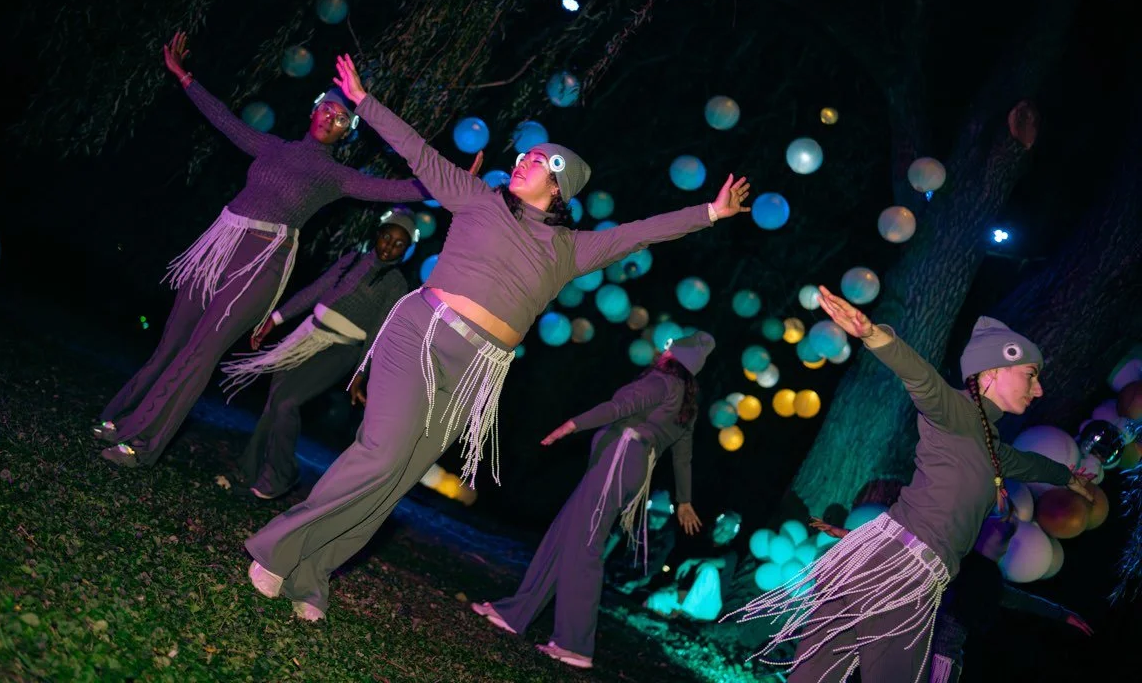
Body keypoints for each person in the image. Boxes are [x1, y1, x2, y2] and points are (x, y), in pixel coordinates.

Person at [242, 53, 751, 624]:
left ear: (558, 187)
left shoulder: (572, 249)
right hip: (423, 335)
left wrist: (710, 211)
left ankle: (315, 570)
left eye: (535, 160)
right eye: (522, 156)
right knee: (381, 453)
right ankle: (278, 548)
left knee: (400, 476)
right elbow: (419, 152)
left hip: (477, 371)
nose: (521, 162)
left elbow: (640, 234)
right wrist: (365, 102)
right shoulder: (477, 198)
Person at [95, 33, 436, 468]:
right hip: (219, 246)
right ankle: (118, 416)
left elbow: (398, 187)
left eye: (341, 117)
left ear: (347, 133)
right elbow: (223, 119)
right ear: (314, 110)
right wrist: (185, 77)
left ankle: (142, 443)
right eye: (327, 107)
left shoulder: (336, 176)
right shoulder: (272, 146)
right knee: (172, 342)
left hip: (262, 262)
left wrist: (450, 183)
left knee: (200, 352)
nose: (331, 116)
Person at [724, 287, 1094, 682]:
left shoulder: (993, 446)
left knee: (815, 675)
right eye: (1031, 375)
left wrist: (1070, 478)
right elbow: (921, 377)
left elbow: (1033, 464)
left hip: (877, 557)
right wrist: (872, 334)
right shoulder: (956, 411)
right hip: (906, 567)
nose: (1038, 389)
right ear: (993, 372)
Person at [470, 333, 714, 669]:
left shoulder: (661, 382)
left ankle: (575, 644)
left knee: (584, 547)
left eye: (667, 348)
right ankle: (516, 613)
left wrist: (572, 425)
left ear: (673, 357)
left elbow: (619, 407)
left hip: (619, 459)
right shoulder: (686, 402)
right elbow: (682, 456)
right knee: (564, 535)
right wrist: (684, 501)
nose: (660, 351)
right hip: (628, 466)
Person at [218, 210, 420, 499]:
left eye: (398, 243)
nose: (389, 245)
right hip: (306, 335)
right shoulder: (352, 260)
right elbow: (315, 291)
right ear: (378, 234)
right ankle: (250, 469)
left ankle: (282, 475)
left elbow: (379, 332)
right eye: (387, 236)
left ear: (407, 249)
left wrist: (361, 373)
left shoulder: (396, 283)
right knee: (274, 402)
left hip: (340, 349)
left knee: (288, 402)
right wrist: (274, 320)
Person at [809, 513, 1093, 683]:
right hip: (922, 650)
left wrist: (1062, 614)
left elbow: (899, 549)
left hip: (928, 654)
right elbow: (899, 549)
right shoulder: (964, 571)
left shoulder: (968, 573)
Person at [642, 510, 742, 621]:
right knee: (655, 600)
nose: (722, 532)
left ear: (732, 536)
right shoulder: (701, 547)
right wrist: (674, 585)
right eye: (721, 527)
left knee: (708, 569)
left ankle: (683, 618)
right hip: (686, 598)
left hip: (708, 607)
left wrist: (691, 561)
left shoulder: (731, 555)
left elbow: (720, 563)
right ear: (715, 526)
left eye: (727, 531)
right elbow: (683, 577)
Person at [604, 490, 679, 594]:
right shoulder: (634, 520)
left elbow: (653, 571)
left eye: (663, 517)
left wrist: (636, 584)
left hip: (637, 579)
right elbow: (617, 535)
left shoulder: (668, 538)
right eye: (655, 515)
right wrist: (602, 559)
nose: (659, 520)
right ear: (648, 512)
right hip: (615, 566)